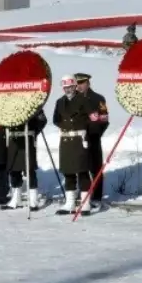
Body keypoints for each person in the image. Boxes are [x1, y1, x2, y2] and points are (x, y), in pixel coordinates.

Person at [53, 75, 94, 214]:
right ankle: (70, 203)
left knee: (82, 172)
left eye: (70, 87)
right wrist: (65, 125)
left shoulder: (84, 100)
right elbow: (55, 119)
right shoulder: (59, 102)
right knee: (68, 172)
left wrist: (81, 127)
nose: (68, 90)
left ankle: (85, 203)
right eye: (65, 87)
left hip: (79, 139)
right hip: (65, 140)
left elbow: (93, 118)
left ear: (75, 86)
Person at [2, 106, 47, 211]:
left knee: (30, 170)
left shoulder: (32, 102)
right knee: (14, 170)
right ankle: (16, 199)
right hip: (14, 140)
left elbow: (42, 120)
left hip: (28, 139)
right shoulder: (7, 103)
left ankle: (33, 201)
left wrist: (34, 130)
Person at [76, 73, 110, 209]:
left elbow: (104, 119)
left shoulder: (98, 99)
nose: (79, 86)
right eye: (77, 83)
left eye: (82, 83)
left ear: (88, 83)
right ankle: (83, 194)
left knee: (96, 168)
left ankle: (96, 196)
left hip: (93, 137)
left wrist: (96, 132)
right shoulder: (74, 100)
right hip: (78, 138)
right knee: (80, 167)